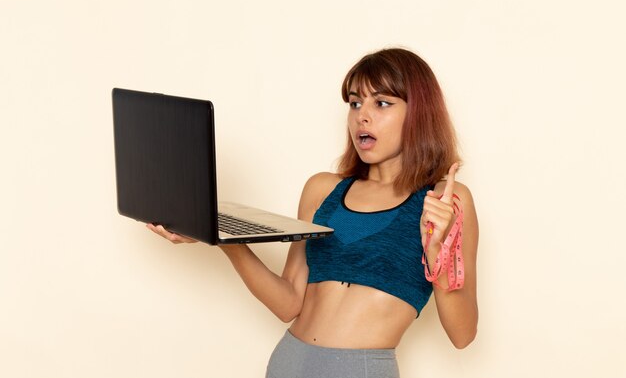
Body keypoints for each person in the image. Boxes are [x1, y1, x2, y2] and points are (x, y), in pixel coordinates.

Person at [147, 47, 479, 378]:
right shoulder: (323, 190)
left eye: (381, 103)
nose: (362, 115)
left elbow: (463, 336)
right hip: (288, 362)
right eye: (354, 102)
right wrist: (223, 238)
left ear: (419, 113)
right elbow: (289, 302)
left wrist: (438, 252)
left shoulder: (444, 201)